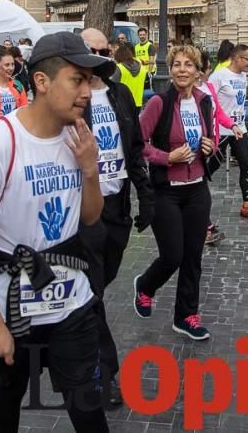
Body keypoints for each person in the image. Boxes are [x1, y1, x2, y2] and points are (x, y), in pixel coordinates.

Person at [0, 32, 113, 432]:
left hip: (71, 302)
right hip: (14, 307)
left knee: (87, 406)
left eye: (90, 82)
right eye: (77, 80)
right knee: (10, 392)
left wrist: (90, 170)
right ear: (42, 82)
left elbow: (90, 218)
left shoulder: (77, 137)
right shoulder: (2, 143)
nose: (88, 93)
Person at [77, 28, 155, 403]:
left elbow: (135, 148)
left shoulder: (120, 93)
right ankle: (103, 372)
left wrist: (145, 195)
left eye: (104, 50)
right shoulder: (72, 98)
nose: (99, 57)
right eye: (91, 51)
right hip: (84, 211)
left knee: (98, 288)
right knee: (92, 293)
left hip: (118, 206)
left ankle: (78, 340)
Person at [133, 45, 217, 341]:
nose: (182, 69)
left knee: (193, 257)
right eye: (177, 64)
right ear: (171, 70)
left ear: (198, 72)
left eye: (188, 65)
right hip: (165, 191)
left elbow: (213, 137)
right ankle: (145, 285)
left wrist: (210, 147)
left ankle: (186, 316)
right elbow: (138, 142)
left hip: (197, 190)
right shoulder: (159, 102)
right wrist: (167, 158)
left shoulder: (205, 102)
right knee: (173, 256)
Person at [207, 43, 248, 222]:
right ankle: (193, 199)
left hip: (240, 129)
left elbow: (243, 94)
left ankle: (247, 205)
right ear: (237, 58)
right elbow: (209, 102)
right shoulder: (218, 76)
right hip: (221, 130)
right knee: (211, 167)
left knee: (246, 164)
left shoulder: (243, 76)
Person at [113, 45, 145, 112]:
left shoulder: (119, 68)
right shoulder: (142, 69)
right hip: (138, 103)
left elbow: (113, 86)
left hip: (122, 103)